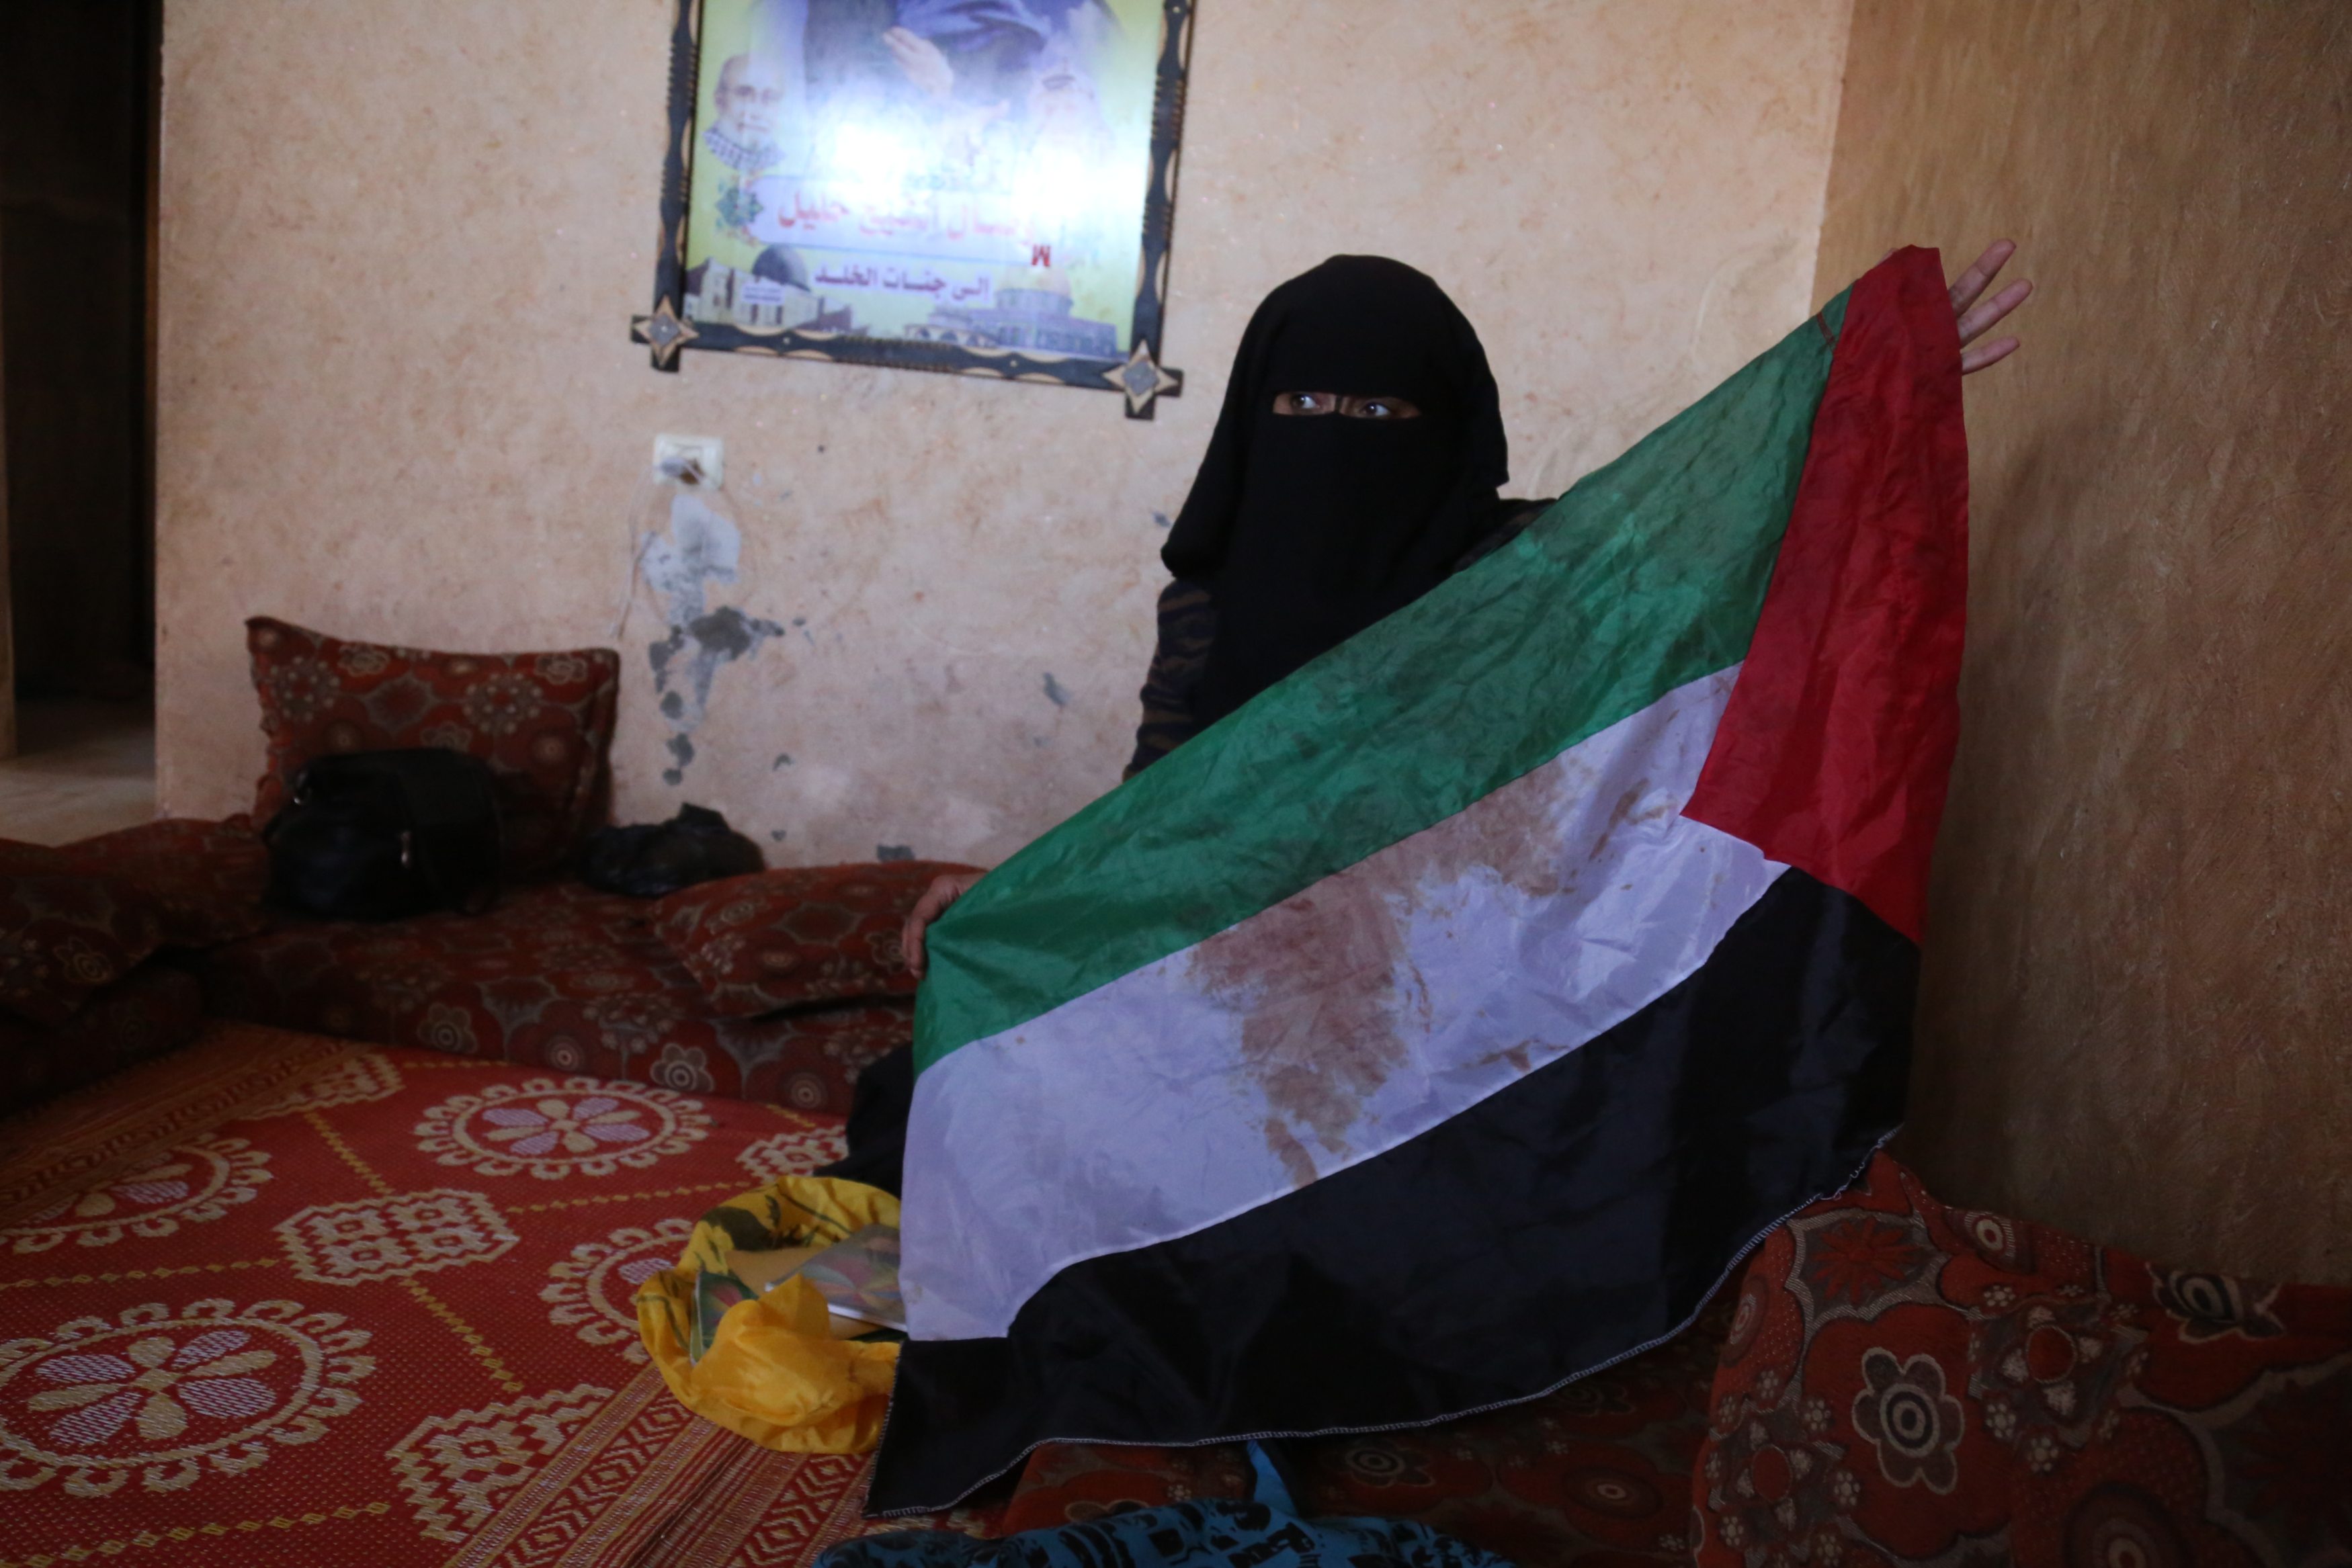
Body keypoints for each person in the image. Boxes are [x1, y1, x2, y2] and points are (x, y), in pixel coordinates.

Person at [817, 243, 2031, 1196]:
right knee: (953, 1091)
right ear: (1255, 421)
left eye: (1384, 417)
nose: (1340, 441)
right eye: (1308, 404)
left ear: (1452, 432)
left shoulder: (1528, 574)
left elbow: (1726, 545)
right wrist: (1019, 892)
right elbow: (1162, 809)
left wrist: (1874, 399)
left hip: (1465, 994)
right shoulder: (1211, 601)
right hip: (1246, 975)